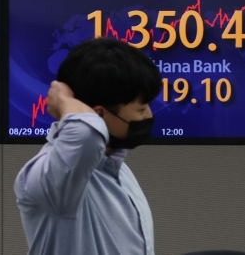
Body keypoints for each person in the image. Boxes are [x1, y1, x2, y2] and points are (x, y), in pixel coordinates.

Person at [14, 38, 162, 254]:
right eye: (140, 110)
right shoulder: (52, 178)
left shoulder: (117, 167)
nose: (149, 115)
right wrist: (63, 101)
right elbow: (85, 134)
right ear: (99, 114)